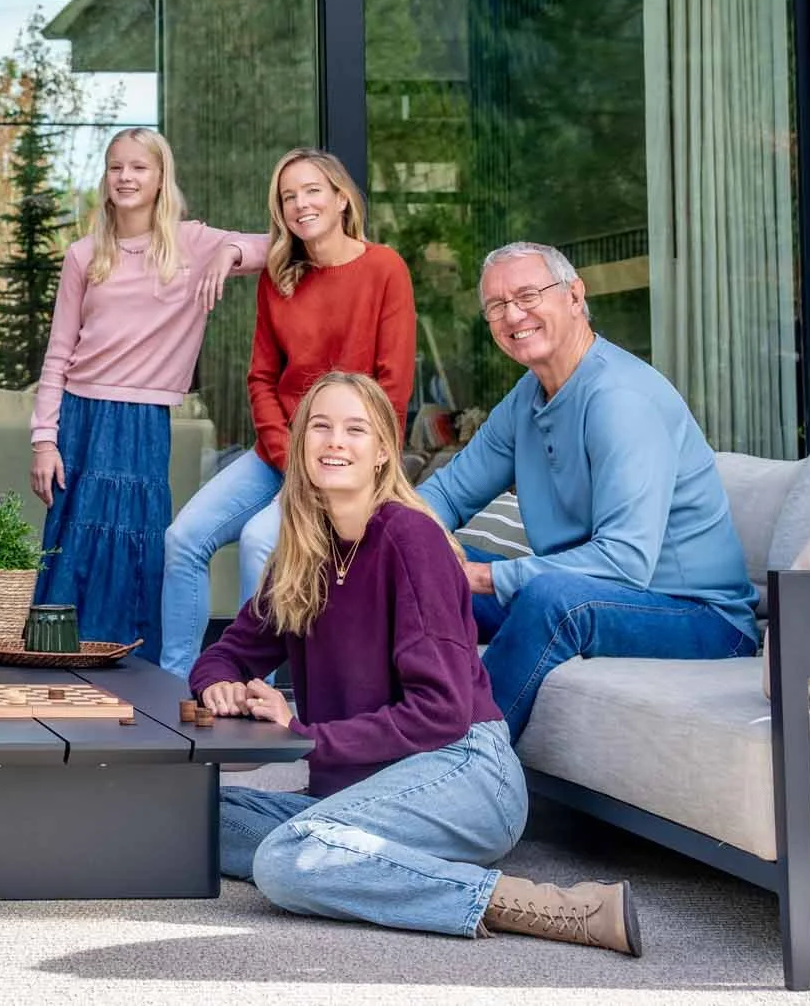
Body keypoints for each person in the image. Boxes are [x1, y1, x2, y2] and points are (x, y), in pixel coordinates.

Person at [192, 373, 640, 954]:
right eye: (321, 427)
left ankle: (535, 905)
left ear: (382, 451)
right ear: (301, 445)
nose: (335, 441)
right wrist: (219, 684)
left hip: (464, 772)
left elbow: (442, 713)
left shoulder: (410, 539)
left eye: (356, 429)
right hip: (361, 787)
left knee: (283, 859)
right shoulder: (303, 553)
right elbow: (229, 650)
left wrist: (299, 734)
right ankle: (361, 855)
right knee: (198, 814)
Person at [418, 242, 759, 739]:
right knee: (413, 569)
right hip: (592, 594)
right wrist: (400, 541)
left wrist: (483, 576)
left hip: (697, 616)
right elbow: (448, 494)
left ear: (575, 296)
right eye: (496, 306)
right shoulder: (528, 397)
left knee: (549, 597)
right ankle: (357, 739)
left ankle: (451, 763)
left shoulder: (621, 400)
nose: (513, 315)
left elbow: (624, 562)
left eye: (528, 295)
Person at [158, 148, 416, 675]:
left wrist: (357, 462)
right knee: (182, 539)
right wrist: (283, 452)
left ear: (342, 198)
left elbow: (392, 387)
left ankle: (256, 696)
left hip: (346, 458)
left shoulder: (384, 268)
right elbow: (261, 377)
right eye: (288, 196)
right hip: (278, 454)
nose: (301, 205)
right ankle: (176, 686)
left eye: (313, 191)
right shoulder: (280, 274)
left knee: (260, 541)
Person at [29, 129, 265, 660]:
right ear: (105, 179)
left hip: (144, 419)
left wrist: (229, 251)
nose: (127, 178)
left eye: (139, 168)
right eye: (116, 168)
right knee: (77, 543)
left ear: (161, 179)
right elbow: (58, 353)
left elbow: (279, 248)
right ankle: (62, 663)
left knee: (138, 541)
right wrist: (45, 440)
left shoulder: (192, 243)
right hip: (80, 415)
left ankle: (133, 668)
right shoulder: (84, 254)